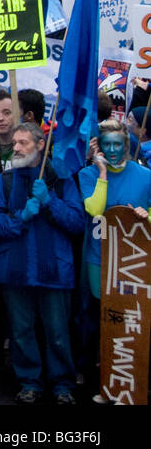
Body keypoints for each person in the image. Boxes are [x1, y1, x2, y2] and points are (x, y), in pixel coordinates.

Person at [0, 122, 85, 405]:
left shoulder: (61, 178)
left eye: (23, 143)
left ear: (40, 145)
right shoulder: (3, 179)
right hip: (15, 269)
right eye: (14, 143)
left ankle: (62, 384)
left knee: (57, 333)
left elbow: (77, 223)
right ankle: (30, 382)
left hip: (54, 269)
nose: (15, 148)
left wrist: (49, 200)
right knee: (21, 331)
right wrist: (20, 219)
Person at [76, 119, 151, 395]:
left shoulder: (145, 176)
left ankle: (130, 381)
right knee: (102, 316)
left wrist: (147, 215)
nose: (112, 149)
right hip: (99, 257)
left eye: (117, 144)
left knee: (130, 318)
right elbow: (95, 209)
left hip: (134, 261)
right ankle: (99, 378)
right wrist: (103, 173)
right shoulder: (88, 174)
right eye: (106, 145)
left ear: (127, 146)